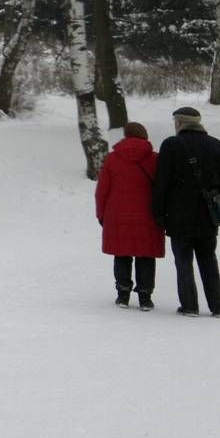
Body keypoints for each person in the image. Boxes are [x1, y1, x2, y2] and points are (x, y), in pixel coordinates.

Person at [151, 106, 220, 318]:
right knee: (208, 260)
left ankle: (189, 305)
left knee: (183, 262)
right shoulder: (216, 145)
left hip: (179, 215)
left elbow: (162, 182)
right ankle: (218, 306)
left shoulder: (171, 145)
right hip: (207, 214)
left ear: (179, 123)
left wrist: (158, 211)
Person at [95, 123, 164, 310]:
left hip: (117, 214)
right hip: (148, 214)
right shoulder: (155, 160)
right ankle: (145, 296)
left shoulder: (112, 159)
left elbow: (102, 190)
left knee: (122, 253)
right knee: (146, 255)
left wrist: (101, 214)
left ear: (125, 135)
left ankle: (123, 294)